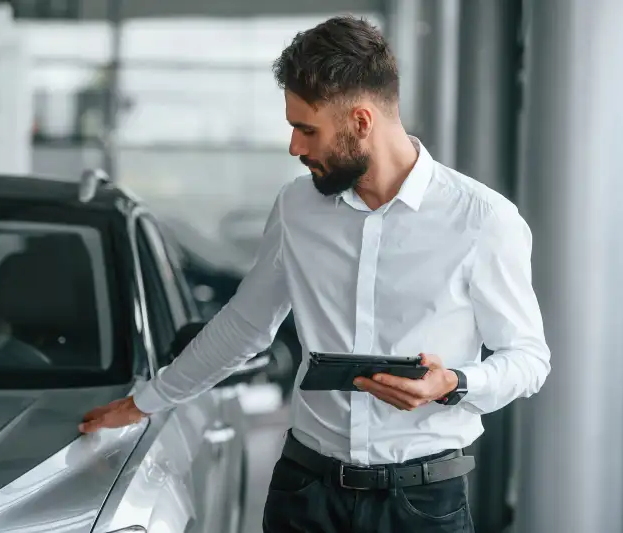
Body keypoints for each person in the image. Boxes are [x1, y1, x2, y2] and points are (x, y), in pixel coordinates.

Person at [78, 15, 551, 533]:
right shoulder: (296, 209)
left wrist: (454, 383)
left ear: (361, 122)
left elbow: (528, 359)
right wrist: (146, 401)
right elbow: (244, 326)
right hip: (304, 493)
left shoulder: (482, 220)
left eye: (307, 130)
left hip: (421, 506)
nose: (295, 148)